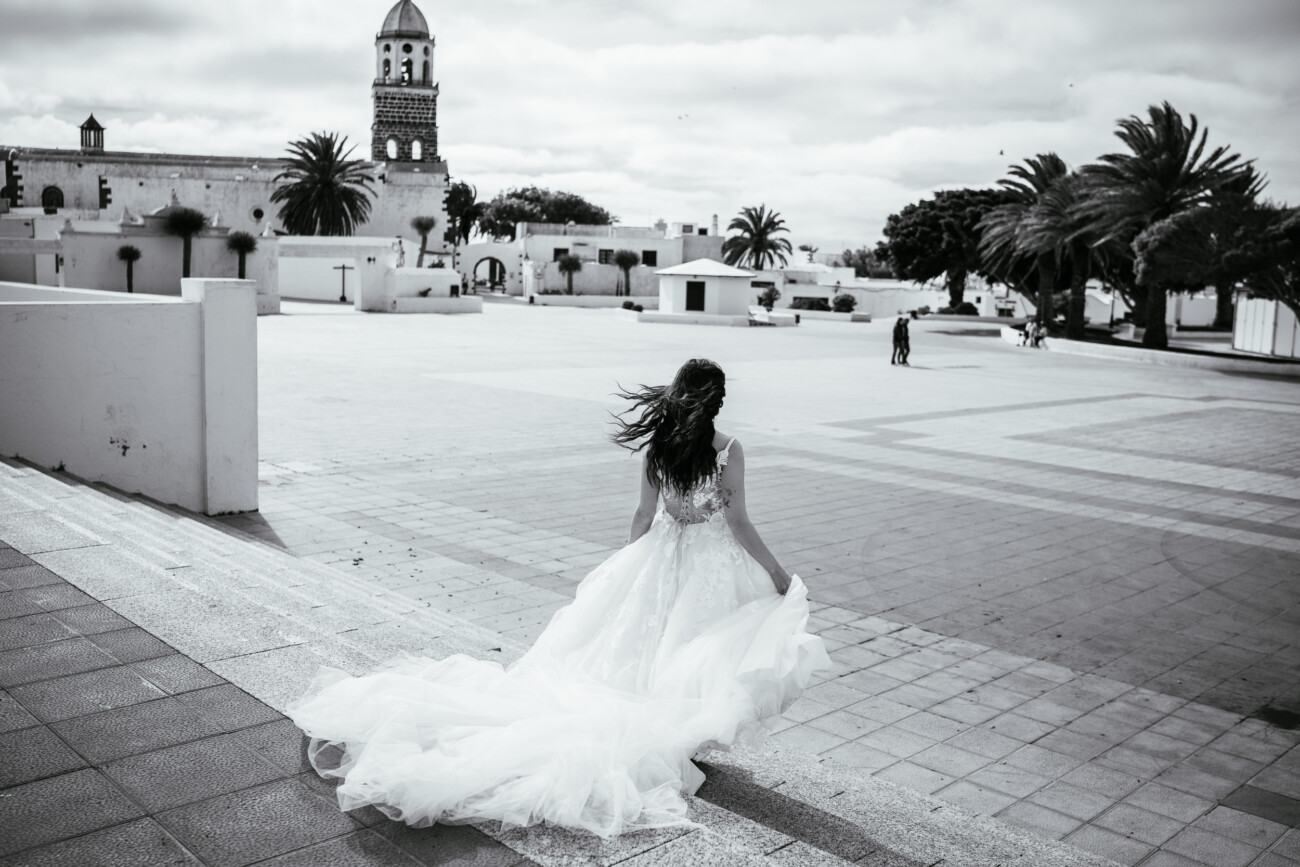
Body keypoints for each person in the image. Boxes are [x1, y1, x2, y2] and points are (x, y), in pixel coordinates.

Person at [287, 359, 829, 839]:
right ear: (718, 401)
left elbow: (644, 516)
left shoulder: (658, 449)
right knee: (698, 648)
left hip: (661, 554)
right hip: (710, 565)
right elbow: (736, 521)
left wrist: (627, 569)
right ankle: (672, 734)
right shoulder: (728, 450)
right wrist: (777, 572)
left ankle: (664, 731)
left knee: (645, 645)